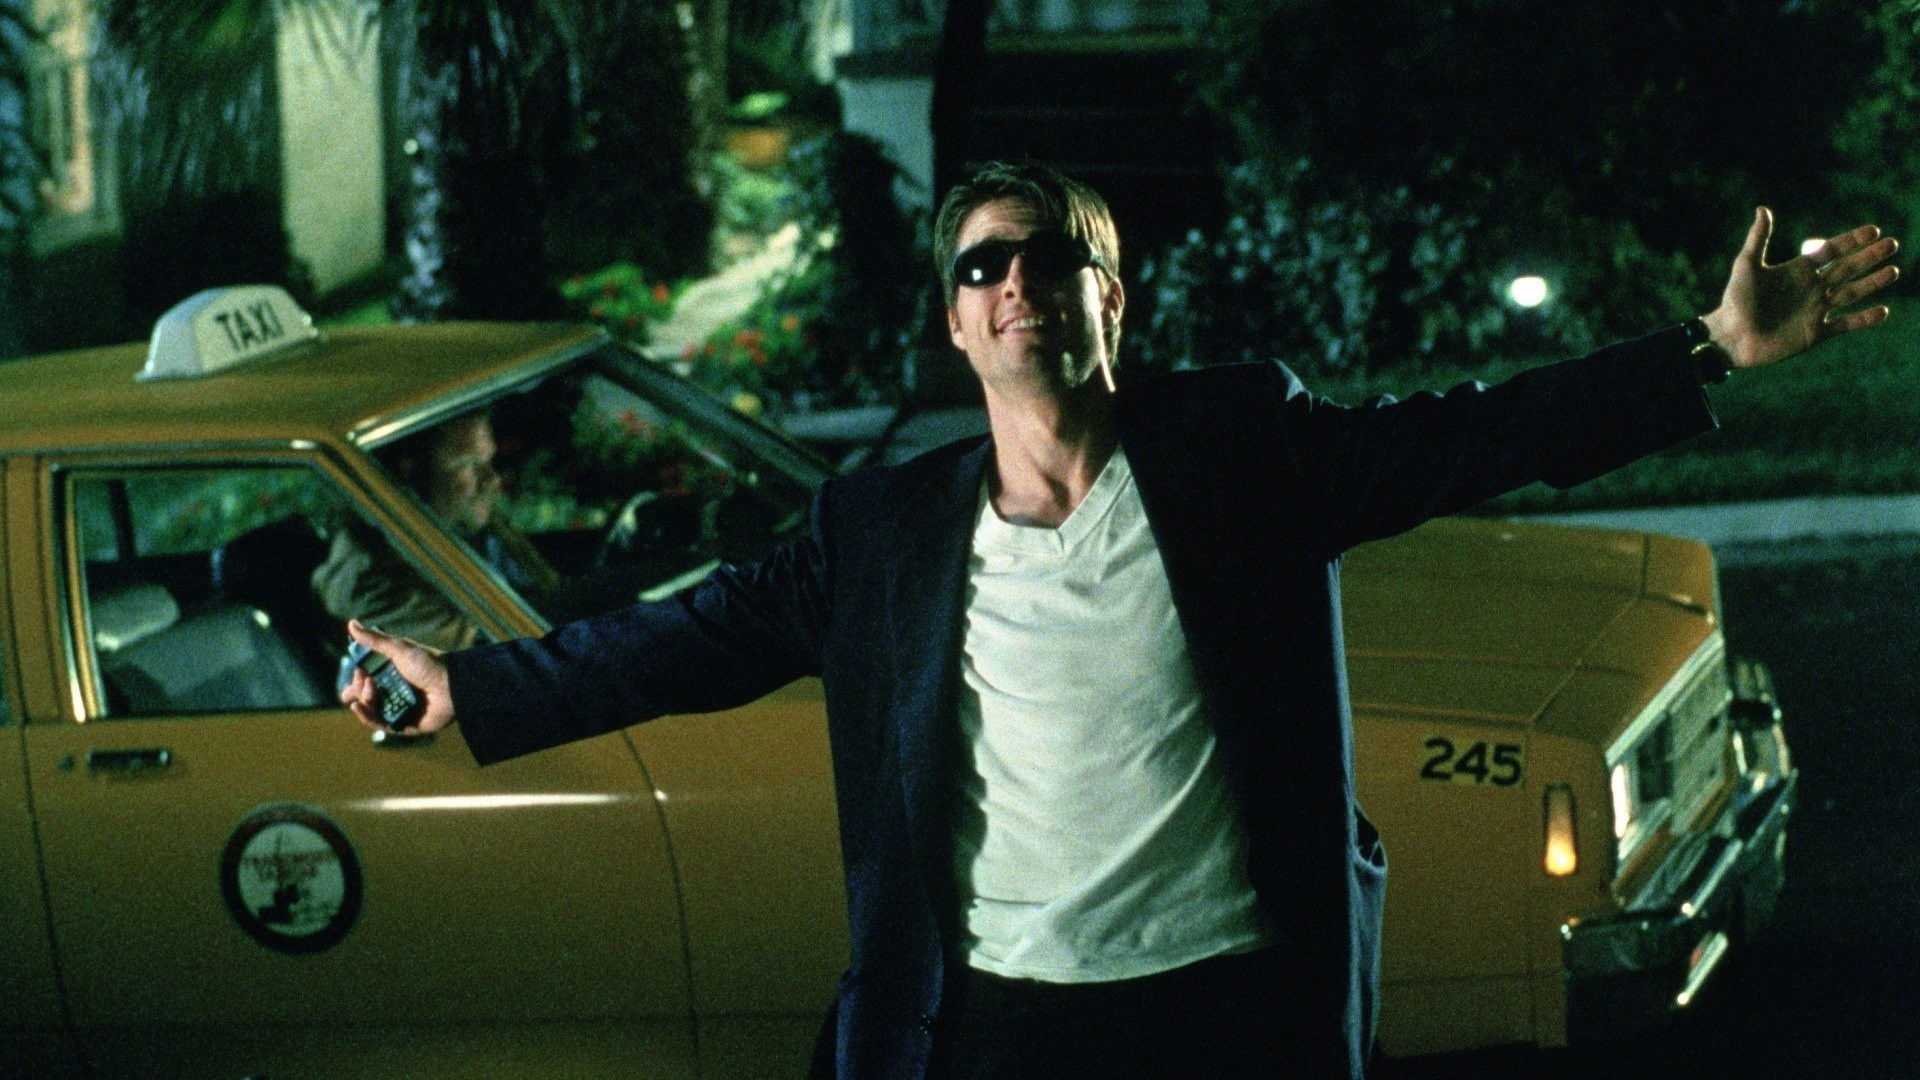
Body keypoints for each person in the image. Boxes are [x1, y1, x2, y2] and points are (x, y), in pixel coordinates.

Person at [343, 161, 1899, 1079]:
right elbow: (689, 640)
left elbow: (1473, 432)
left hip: (1229, 1012)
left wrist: (1706, 348)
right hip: (992, 1025)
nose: (1020, 280)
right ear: (956, 319)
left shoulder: (1241, 459)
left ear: (1115, 300)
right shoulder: (881, 533)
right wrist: (471, 689)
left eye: (1056, 257)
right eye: (986, 263)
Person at [314, 410, 531, 652]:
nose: (492, 478)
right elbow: (490, 644)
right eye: (467, 464)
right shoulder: (365, 576)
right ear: (411, 470)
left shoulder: (468, 527)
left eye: (488, 461)